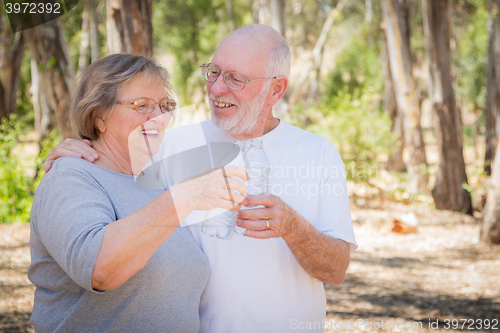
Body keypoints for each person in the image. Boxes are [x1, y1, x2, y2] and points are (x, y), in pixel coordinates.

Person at [44, 25, 358, 332]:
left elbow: (335, 270)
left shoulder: (318, 153)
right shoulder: (167, 146)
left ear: (275, 88)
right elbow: (110, 159)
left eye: (235, 79)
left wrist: (293, 227)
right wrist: (75, 148)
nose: (216, 88)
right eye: (215, 72)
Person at [29, 53, 248, 333]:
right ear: (99, 116)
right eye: (142, 105)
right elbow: (101, 270)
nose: (158, 116)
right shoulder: (71, 176)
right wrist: (185, 197)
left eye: (164, 105)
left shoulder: (153, 181)